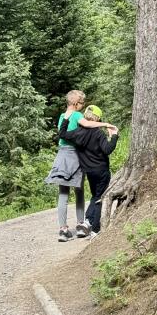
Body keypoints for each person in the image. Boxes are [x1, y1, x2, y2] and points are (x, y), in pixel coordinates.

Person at [45, 90, 112, 242]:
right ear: (76, 104)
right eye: (82, 103)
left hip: (61, 156)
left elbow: (62, 133)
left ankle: (63, 229)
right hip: (75, 156)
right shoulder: (77, 115)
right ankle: (81, 225)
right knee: (79, 191)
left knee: (63, 193)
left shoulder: (63, 116)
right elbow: (88, 124)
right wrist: (105, 124)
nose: (83, 106)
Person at [58, 104, 118, 236]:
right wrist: (114, 136)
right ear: (97, 119)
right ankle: (92, 227)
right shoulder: (98, 133)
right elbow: (108, 149)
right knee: (99, 197)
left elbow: (62, 134)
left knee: (95, 196)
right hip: (101, 170)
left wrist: (66, 119)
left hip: (88, 171)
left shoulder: (77, 133)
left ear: (85, 115)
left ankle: (86, 224)